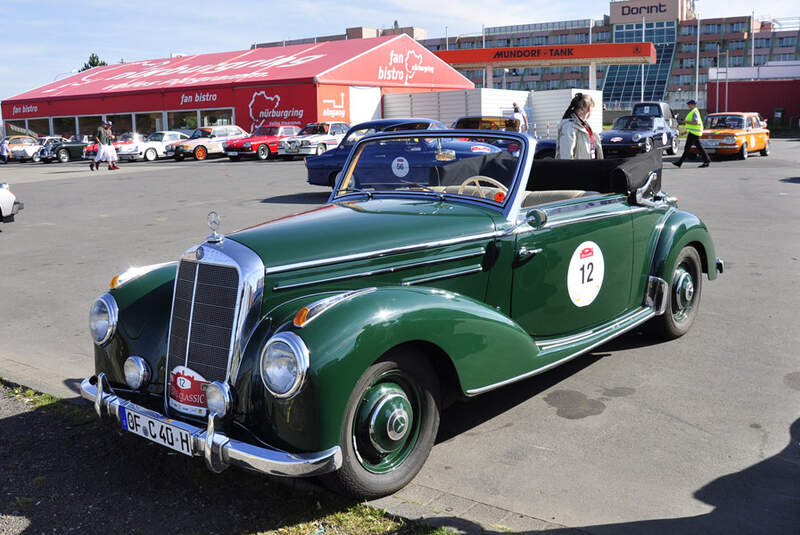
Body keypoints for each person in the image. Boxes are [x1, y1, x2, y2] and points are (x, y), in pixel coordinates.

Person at [555, 93, 603, 160]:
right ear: (589, 108)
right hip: (577, 169)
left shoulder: (585, 126)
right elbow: (566, 158)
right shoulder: (569, 127)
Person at [673, 99, 710, 168]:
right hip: (694, 133)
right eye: (688, 104)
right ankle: (707, 160)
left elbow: (696, 122)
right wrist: (685, 132)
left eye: (689, 104)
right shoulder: (694, 111)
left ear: (693, 105)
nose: (688, 105)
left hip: (694, 133)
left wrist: (685, 122)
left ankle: (680, 162)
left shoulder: (694, 112)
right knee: (699, 148)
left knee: (687, 148)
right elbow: (692, 126)